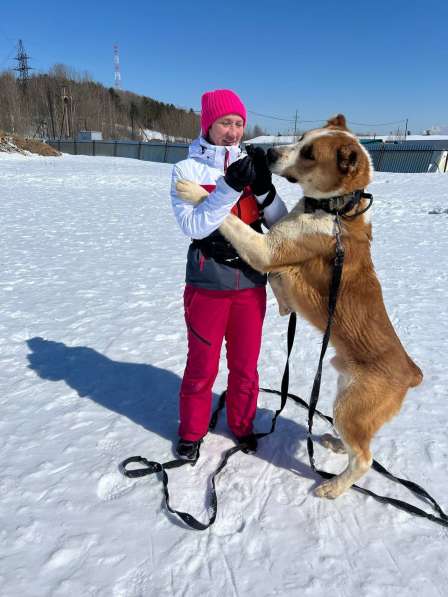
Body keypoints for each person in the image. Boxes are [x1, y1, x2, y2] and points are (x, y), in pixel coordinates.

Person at [170, 89, 287, 461]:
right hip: (208, 285)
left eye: (238, 123)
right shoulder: (186, 170)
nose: (233, 132)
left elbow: (280, 225)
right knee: (202, 366)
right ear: (209, 124)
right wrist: (228, 187)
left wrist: (266, 190)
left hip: (251, 285)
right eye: (225, 123)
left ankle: (242, 424)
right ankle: (191, 432)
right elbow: (196, 227)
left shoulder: (249, 163)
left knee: (245, 366)